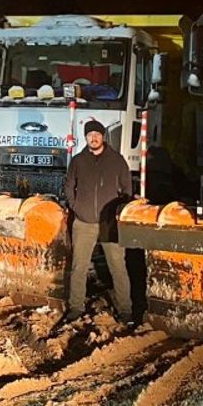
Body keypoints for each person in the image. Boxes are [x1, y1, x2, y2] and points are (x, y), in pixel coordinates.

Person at [63, 118, 135, 325]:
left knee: (118, 267)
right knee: (79, 266)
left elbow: (127, 188)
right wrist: (75, 206)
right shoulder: (78, 161)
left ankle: (125, 310)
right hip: (83, 222)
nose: (93, 138)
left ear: (103, 136)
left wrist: (119, 210)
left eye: (97, 135)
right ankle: (76, 307)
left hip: (109, 222)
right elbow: (69, 185)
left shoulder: (117, 160)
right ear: (85, 138)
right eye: (89, 136)